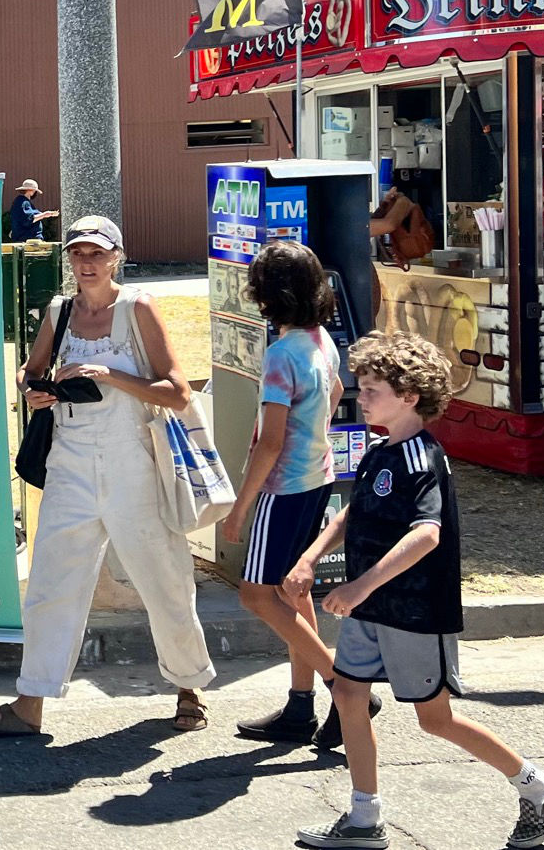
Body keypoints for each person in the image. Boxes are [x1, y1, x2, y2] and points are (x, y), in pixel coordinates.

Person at [285, 332, 544, 850]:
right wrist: (310, 557)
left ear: (410, 396)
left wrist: (361, 584)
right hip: (367, 606)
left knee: (434, 719)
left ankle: (537, 785)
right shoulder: (379, 450)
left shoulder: (421, 459)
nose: (361, 395)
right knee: (348, 693)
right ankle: (364, 817)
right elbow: (355, 512)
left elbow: (426, 534)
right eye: (361, 385)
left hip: (414, 611)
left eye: (371, 388)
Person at [0, 215, 215, 737]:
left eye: (96, 253)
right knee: (51, 583)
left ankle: (189, 688)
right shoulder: (59, 310)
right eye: (78, 253)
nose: (86, 263)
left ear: (116, 257)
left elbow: (178, 391)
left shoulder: (137, 308)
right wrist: (33, 388)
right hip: (70, 461)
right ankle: (28, 704)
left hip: (133, 461)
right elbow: (30, 370)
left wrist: (113, 377)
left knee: (164, 577)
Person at [223, 241, 380, 749]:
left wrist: (240, 507)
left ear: (266, 297)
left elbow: (270, 441)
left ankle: (344, 687)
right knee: (292, 594)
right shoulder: (321, 341)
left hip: (282, 488)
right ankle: (299, 707)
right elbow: (334, 394)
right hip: (317, 477)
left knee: (257, 595)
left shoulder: (280, 355)